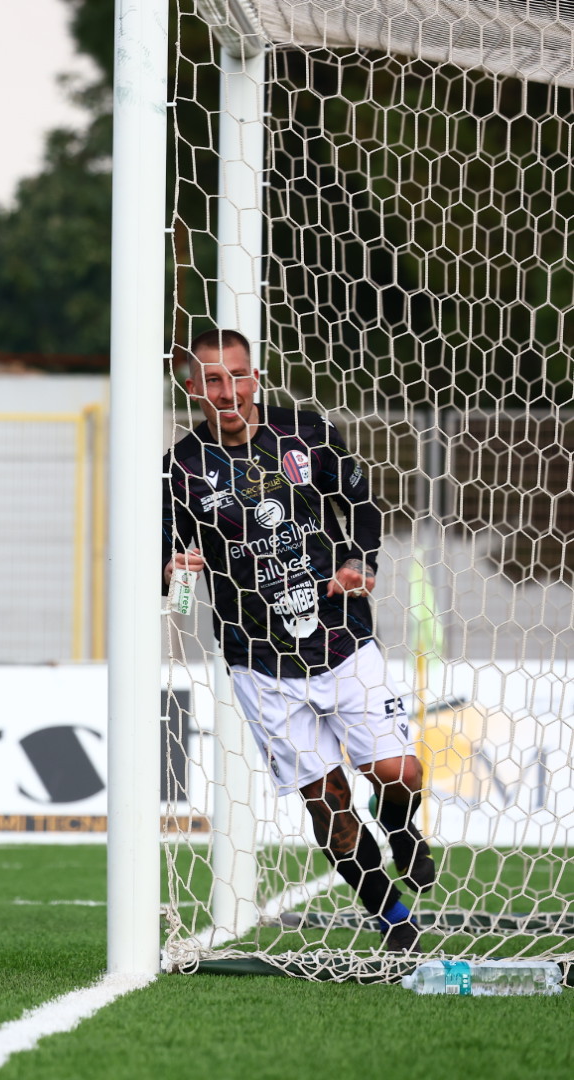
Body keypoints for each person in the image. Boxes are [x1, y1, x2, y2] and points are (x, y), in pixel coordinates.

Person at [162, 328, 435, 952]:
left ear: (254, 378)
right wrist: (175, 577)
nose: (227, 390)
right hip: (259, 661)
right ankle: (392, 917)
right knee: (330, 807)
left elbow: (361, 505)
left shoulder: (307, 433)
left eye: (237, 376)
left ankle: (401, 829)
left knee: (399, 772)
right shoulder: (180, 467)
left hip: (342, 638)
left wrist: (361, 562)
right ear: (193, 388)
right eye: (212, 380)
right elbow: (173, 573)